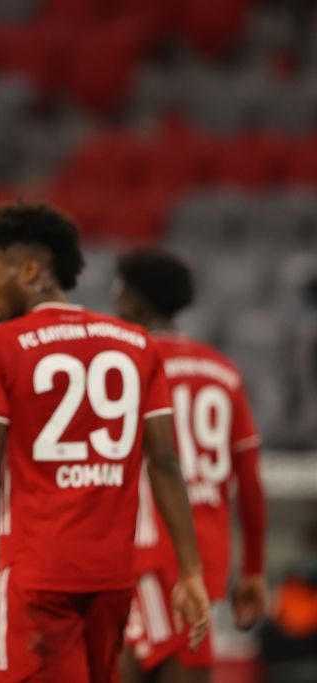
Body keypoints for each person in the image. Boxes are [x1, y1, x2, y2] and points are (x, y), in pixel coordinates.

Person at [0, 203, 210, 682]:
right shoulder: (137, 343)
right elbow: (165, 464)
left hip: (37, 576)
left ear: (31, 271)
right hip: (114, 578)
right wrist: (191, 571)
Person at [114, 248, 266, 683]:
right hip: (207, 557)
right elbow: (251, 484)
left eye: (119, 292)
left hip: (144, 555)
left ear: (136, 301)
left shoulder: (128, 364)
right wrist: (253, 569)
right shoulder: (224, 371)